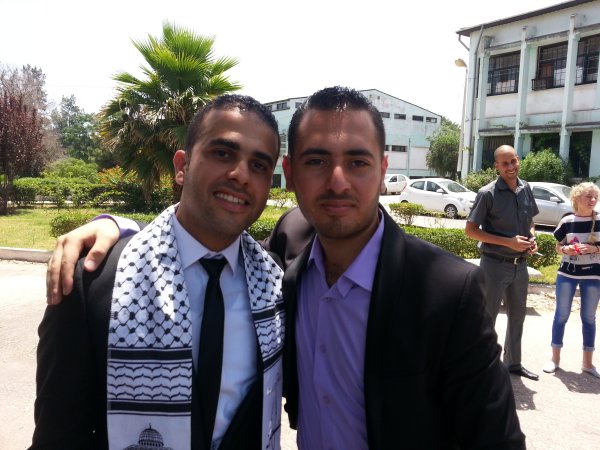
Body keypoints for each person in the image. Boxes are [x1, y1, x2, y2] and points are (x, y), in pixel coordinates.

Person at [46, 87, 525, 449]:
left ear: (383, 169)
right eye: (317, 161)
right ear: (292, 174)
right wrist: (117, 226)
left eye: (357, 162)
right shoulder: (98, 282)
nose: (338, 181)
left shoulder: (445, 290)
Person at [31, 95, 286, 450]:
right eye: (222, 153)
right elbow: (57, 437)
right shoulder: (95, 282)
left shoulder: (275, 285)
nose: (241, 175)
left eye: (258, 165)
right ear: (182, 166)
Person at [465, 145, 540, 381]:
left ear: (518, 160)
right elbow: (471, 230)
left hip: (521, 265)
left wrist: (532, 239)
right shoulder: (487, 193)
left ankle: (513, 363)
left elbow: (530, 223)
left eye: (513, 161)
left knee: (517, 316)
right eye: (505, 163)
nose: (510, 167)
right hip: (494, 265)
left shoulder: (525, 188)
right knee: (488, 317)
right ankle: (481, 366)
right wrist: (508, 242)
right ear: (496, 166)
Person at [542, 182, 600, 378]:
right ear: (577, 198)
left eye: (595, 196)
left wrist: (594, 248)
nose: (593, 200)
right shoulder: (567, 220)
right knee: (561, 315)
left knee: (589, 318)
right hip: (567, 274)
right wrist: (566, 249)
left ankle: (588, 364)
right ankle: (554, 360)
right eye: (588, 196)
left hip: (593, 275)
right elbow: (559, 247)